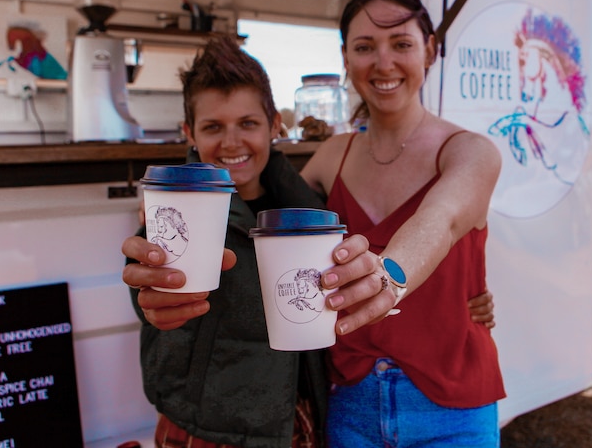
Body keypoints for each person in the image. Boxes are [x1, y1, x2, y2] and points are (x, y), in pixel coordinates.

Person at [121, 34, 496, 448]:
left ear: (275, 126)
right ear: (190, 132)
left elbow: (396, 241)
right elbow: (152, 281)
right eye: (213, 127)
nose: (231, 142)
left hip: (301, 422)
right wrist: (148, 294)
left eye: (248, 124)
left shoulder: (306, 202)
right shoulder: (175, 213)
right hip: (205, 430)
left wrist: (469, 295)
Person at [299, 0, 506, 447]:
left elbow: (442, 219)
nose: (384, 62)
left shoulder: (470, 152)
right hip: (351, 402)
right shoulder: (331, 156)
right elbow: (267, 225)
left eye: (402, 44)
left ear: (429, 51)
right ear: (346, 59)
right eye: (365, 47)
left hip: (452, 407)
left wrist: (387, 278)